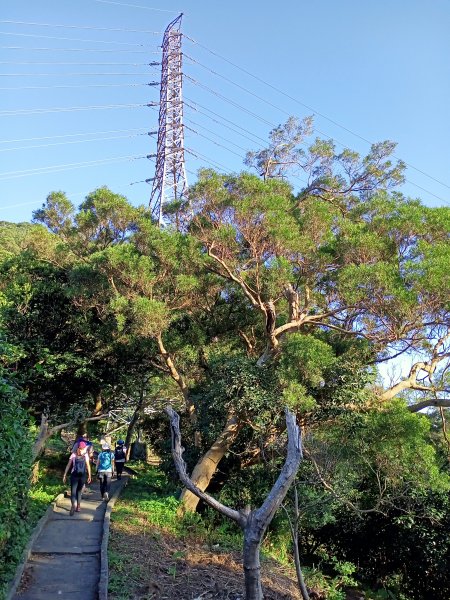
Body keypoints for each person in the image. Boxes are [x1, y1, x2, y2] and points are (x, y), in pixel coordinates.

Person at [63, 441, 92, 516]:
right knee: (79, 491)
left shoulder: (73, 454)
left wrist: (65, 475)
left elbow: (68, 465)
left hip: (74, 475)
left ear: (78, 447)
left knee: (73, 491)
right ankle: (78, 507)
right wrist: (89, 476)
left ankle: (73, 505)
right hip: (82, 475)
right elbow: (88, 466)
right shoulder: (85, 455)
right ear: (84, 448)